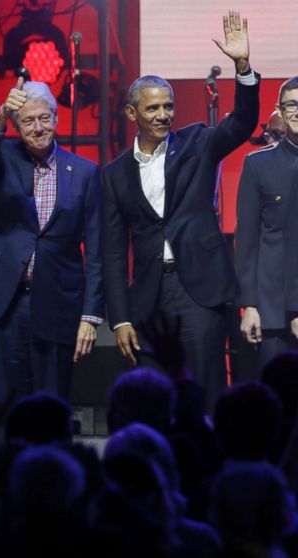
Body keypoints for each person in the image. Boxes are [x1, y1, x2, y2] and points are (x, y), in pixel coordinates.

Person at [101, 11, 259, 407]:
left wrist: (242, 67)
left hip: (199, 291)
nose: (163, 115)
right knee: (152, 400)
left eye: (167, 107)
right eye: (153, 109)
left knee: (206, 394)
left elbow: (242, 123)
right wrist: (119, 317)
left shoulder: (198, 143)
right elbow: (114, 251)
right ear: (132, 113)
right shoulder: (115, 173)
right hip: (149, 297)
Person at [0, 79, 103, 404]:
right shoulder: (3, 158)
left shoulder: (84, 172)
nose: (38, 128)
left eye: (44, 118)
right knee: (3, 402)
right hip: (4, 302)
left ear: (56, 118)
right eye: (27, 121)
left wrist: (90, 317)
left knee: (51, 403)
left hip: (58, 301)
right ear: (16, 126)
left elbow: (96, 252)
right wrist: (0, 116)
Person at [235, 77, 298, 368]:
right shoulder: (257, 164)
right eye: (291, 105)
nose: (297, 112)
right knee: (277, 402)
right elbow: (246, 243)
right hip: (272, 312)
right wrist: (249, 305)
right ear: (280, 111)